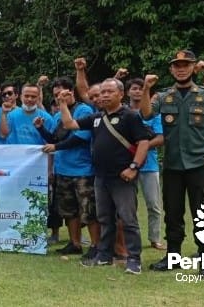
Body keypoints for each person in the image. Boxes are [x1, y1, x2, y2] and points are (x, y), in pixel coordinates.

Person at [141, 50, 204, 274]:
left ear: (193, 66)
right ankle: (173, 257)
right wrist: (146, 88)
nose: (181, 68)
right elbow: (147, 114)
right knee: (173, 213)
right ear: (171, 69)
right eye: (176, 65)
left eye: (185, 64)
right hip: (172, 165)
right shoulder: (163, 96)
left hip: (199, 164)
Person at [57, 78, 150, 275]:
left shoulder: (130, 116)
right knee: (104, 218)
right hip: (100, 177)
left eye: (109, 92)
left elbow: (143, 143)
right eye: (102, 93)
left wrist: (134, 167)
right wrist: (63, 104)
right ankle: (104, 255)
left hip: (123, 177)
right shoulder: (96, 117)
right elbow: (70, 124)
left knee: (128, 219)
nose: (104, 95)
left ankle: (134, 259)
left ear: (120, 94)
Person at [37, 77, 99, 258]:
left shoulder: (84, 110)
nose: (58, 98)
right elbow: (54, 139)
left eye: (62, 94)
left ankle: (96, 245)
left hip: (83, 169)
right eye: (56, 95)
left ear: (71, 91)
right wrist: (41, 129)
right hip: (62, 169)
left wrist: (56, 148)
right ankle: (75, 243)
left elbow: (81, 137)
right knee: (69, 211)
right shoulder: (57, 115)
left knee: (88, 211)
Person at [126, 78, 166, 251]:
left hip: (149, 165)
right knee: (127, 205)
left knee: (154, 204)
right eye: (134, 88)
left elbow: (160, 138)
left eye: (141, 89)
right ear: (127, 92)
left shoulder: (154, 114)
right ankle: (130, 240)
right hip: (126, 165)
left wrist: (141, 146)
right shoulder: (122, 113)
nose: (138, 92)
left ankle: (155, 238)